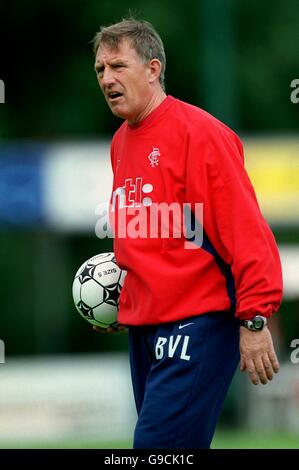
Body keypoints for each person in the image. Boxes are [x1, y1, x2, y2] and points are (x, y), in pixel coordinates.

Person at [92, 18, 283, 449]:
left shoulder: (200, 133)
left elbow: (246, 232)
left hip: (197, 324)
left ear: (153, 69)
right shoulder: (121, 141)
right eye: (101, 69)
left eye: (118, 66)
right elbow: (150, 238)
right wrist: (127, 301)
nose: (107, 78)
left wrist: (254, 319)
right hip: (145, 329)